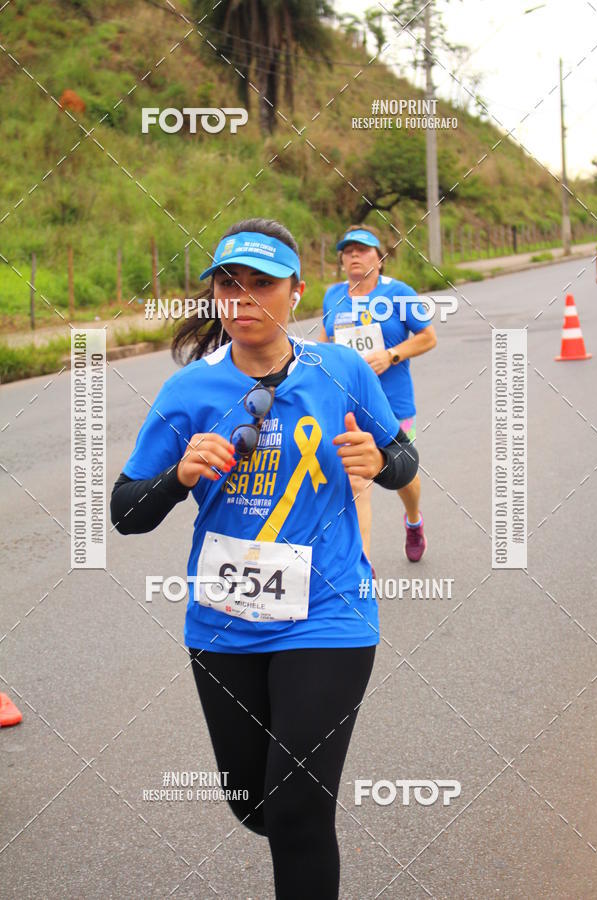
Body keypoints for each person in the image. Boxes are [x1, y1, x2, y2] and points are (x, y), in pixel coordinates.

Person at [110, 218, 419, 900]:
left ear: (296, 292)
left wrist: (382, 462)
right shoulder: (189, 391)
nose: (243, 298)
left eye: (261, 284)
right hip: (224, 623)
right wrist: (179, 478)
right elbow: (126, 513)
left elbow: (403, 457)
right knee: (256, 805)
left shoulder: (338, 370)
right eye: (229, 284)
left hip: (330, 615)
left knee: (299, 811)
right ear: (215, 294)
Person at [318, 225, 436, 563]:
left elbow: (428, 337)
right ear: (341, 260)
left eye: (363, 249)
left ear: (380, 258)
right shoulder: (333, 296)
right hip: (347, 408)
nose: (354, 255)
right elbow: (327, 344)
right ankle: (362, 569)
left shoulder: (398, 293)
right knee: (357, 482)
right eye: (348, 250)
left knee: (403, 475)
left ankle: (413, 520)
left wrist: (391, 355)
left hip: (392, 406)